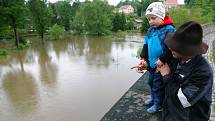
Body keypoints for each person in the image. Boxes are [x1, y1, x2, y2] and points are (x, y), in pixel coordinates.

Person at [157, 21, 213, 121]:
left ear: (186, 50)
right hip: (170, 113)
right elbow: (162, 66)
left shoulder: (203, 72)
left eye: (174, 46)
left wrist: (166, 76)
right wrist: (147, 66)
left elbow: (183, 100)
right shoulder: (177, 57)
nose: (170, 48)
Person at [136, 2, 175, 113]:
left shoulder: (169, 29)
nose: (151, 21)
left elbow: (171, 48)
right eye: (149, 19)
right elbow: (145, 45)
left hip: (162, 64)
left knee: (158, 85)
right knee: (151, 82)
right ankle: (153, 98)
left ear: (162, 16)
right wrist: (143, 59)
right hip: (152, 63)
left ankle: (158, 104)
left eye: (153, 18)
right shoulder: (150, 30)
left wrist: (162, 59)